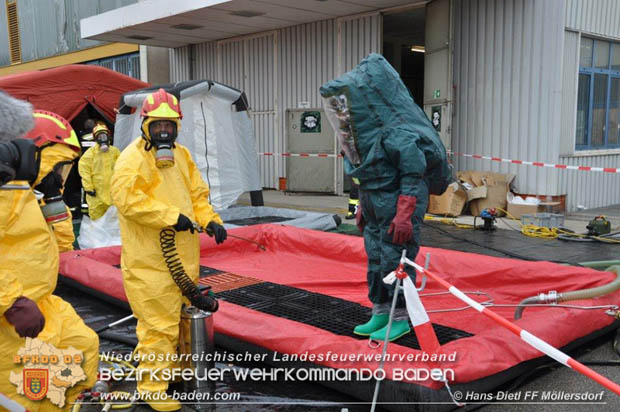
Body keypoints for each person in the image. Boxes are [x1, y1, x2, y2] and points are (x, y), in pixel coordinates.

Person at [320, 54, 451, 342]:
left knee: (397, 261)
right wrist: (363, 207)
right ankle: (380, 310)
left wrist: (405, 212)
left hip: (398, 201)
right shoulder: (367, 137)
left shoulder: (397, 133)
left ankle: (401, 317)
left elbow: (413, 175)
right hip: (376, 202)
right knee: (376, 258)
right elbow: (366, 173)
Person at [111, 88, 227, 411]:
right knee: (157, 327)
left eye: (170, 126)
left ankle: (172, 373)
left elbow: (197, 196)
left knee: (179, 322)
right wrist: (170, 218)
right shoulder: (132, 160)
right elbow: (128, 200)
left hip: (182, 262)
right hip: (150, 265)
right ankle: (152, 387)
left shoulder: (183, 157)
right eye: (158, 126)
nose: (164, 132)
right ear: (145, 125)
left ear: (177, 127)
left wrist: (211, 221)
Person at [0, 91, 99, 410]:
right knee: (25, 394)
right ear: (31, 154)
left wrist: (55, 203)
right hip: (10, 317)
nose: (60, 176)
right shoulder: (6, 198)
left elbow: (61, 248)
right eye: (56, 166)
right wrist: (12, 302)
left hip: (41, 304)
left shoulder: (29, 198)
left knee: (83, 347)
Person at [25, 110, 82, 252]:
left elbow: (63, 244)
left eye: (64, 169)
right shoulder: (11, 203)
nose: (59, 178)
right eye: (57, 168)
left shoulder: (42, 198)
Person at [78, 122, 120, 220]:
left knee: (114, 220)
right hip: (96, 194)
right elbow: (84, 171)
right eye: (99, 136)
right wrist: (88, 188)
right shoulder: (90, 153)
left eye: (104, 135)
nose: (102, 139)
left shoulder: (115, 152)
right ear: (95, 138)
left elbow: (122, 168)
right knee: (97, 219)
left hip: (112, 193)